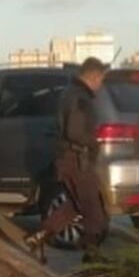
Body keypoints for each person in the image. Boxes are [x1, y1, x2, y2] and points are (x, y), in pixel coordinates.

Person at [24, 57, 110, 263]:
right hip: (77, 160)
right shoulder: (80, 97)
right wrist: (94, 141)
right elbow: (74, 132)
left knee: (73, 205)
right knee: (94, 209)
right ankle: (92, 255)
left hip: (70, 160)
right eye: (101, 79)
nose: (101, 85)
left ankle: (39, 236)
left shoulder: (71, 93)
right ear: (94, 76)